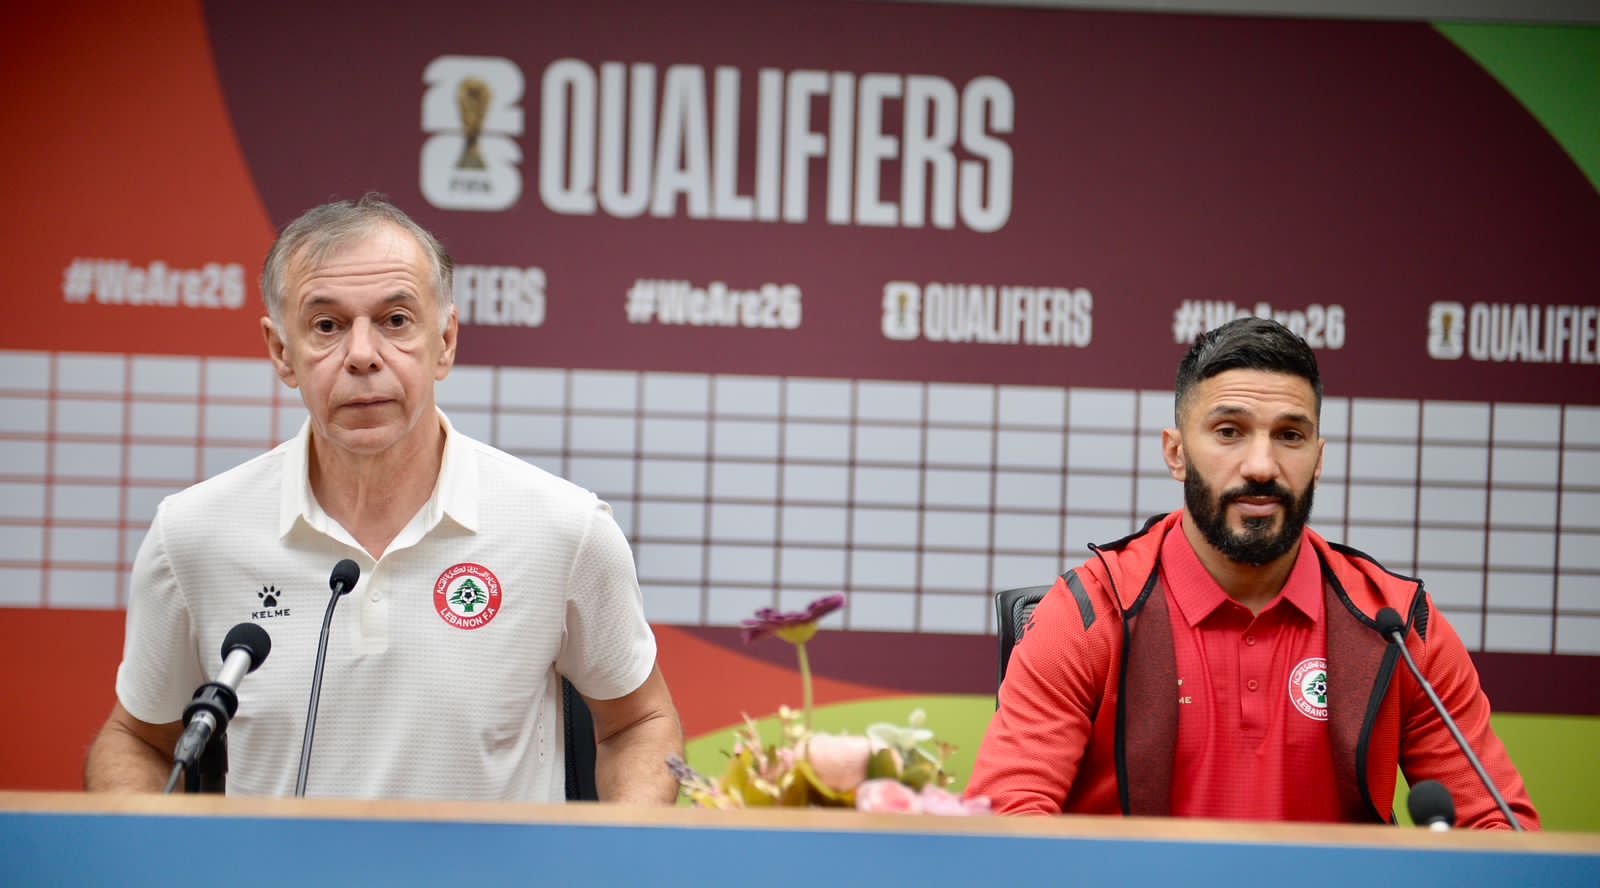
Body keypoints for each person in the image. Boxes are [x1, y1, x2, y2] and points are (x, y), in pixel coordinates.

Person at [85, 195, 683, 801]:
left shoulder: (564, 529)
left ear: (445, 340)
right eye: (327, 326)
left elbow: (639, 724)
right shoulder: (192, 534)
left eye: (396, 321)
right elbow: (139, 740)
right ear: (281, 352)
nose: (362, 355)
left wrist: (618, 850)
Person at [967, 317, 1538, 829]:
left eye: (1289, 435)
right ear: (1176, 454)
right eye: (1229, 431)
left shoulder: (1395, 622)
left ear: (1318, 459)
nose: (1262, 466)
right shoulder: (1093, 611)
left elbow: (1500, 832)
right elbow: (1005, 824)